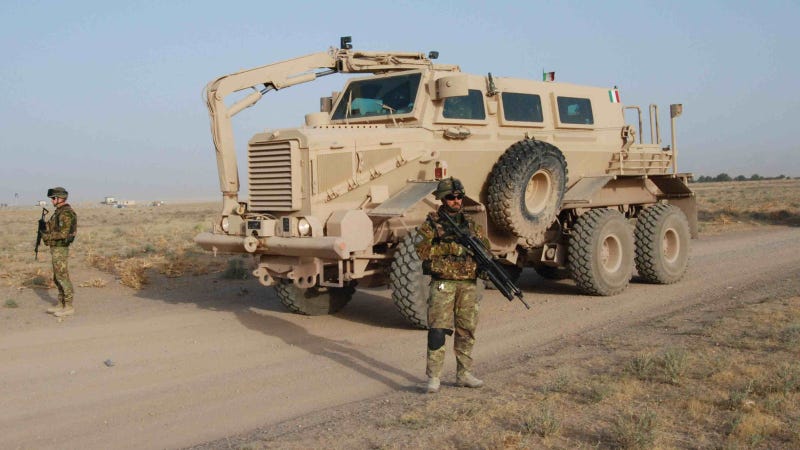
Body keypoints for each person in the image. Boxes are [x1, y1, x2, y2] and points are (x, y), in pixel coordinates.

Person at [415, 177, 489, 393]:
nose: (456, 201)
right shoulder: (432, 225)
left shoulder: (472, 225)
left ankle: (464, 374)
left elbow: (485, 249)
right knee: (437, 331)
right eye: (451, 197)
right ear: (442, 199)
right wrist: (451, 249)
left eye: (459, 197)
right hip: (443, 284)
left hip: (467, 284)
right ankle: (434, 377)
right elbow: (422, 251)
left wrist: (484, 264)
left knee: (467, 330)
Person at [43, 187, 77, 317]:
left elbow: (63, 233)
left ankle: (68, 306)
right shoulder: (59, 212)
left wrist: (48, 236)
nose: (52, 201)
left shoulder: (66, 213)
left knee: (62, 276)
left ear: (60, 198)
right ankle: (61, 303)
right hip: (56, 248)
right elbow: (55, 228)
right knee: (57, 277)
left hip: (61, 248)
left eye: (53, 198)